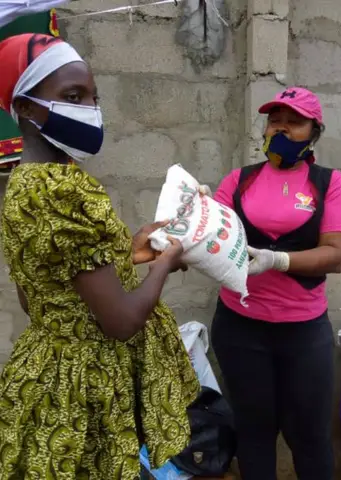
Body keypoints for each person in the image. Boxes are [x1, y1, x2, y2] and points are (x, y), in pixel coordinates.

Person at [0, 33, 199, 479]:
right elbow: (121, 322)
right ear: (26, 108)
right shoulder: (68, 189)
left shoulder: (23, 185)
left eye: (93, 97)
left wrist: (129, 253)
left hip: (45, 375)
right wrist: (166, 263)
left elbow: (42, 297)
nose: (90, 108)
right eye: (73, 96)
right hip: (84, 391)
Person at [210, 87, 341, 480]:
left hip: (303, 331)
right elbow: (213, 238)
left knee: (308, 436)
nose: (283, 129)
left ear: (314, 130)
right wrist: (195, 222)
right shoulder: (239, 181)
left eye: (294, 122)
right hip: (240, 326)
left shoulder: (330, 184)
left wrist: (278, 260)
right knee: (253, 433)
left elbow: (338, 255)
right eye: (276, 120)